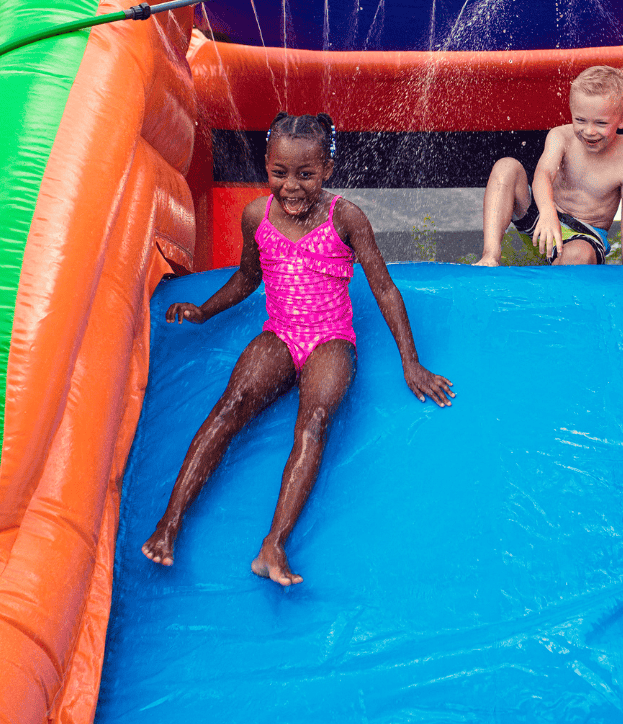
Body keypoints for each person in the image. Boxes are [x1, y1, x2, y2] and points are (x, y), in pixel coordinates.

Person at [142, 111, 454, 586]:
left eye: (306, 174)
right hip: (280, 334)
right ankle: (169, 523)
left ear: (327, 169)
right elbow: (248, 277)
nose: (291, 186)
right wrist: (205, 311)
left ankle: (274, 543)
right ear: (266, 166)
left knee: (314, 421)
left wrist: (411, 363)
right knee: (229, 407)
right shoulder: (257, 216)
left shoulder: (346, 217)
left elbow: (385, 289)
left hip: (330, 339)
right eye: (279, 173)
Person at [474, 66, 623, 267]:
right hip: (544, 219)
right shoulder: (561, 137)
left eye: (600, 123)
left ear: (622, 119)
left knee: (579, 254)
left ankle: (556, 276)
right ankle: (490, 254)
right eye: (580, 120)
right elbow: (543, 174)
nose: (589, 131)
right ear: (571, 112)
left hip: (585, 235)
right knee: (506, 167)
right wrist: (547, 212)